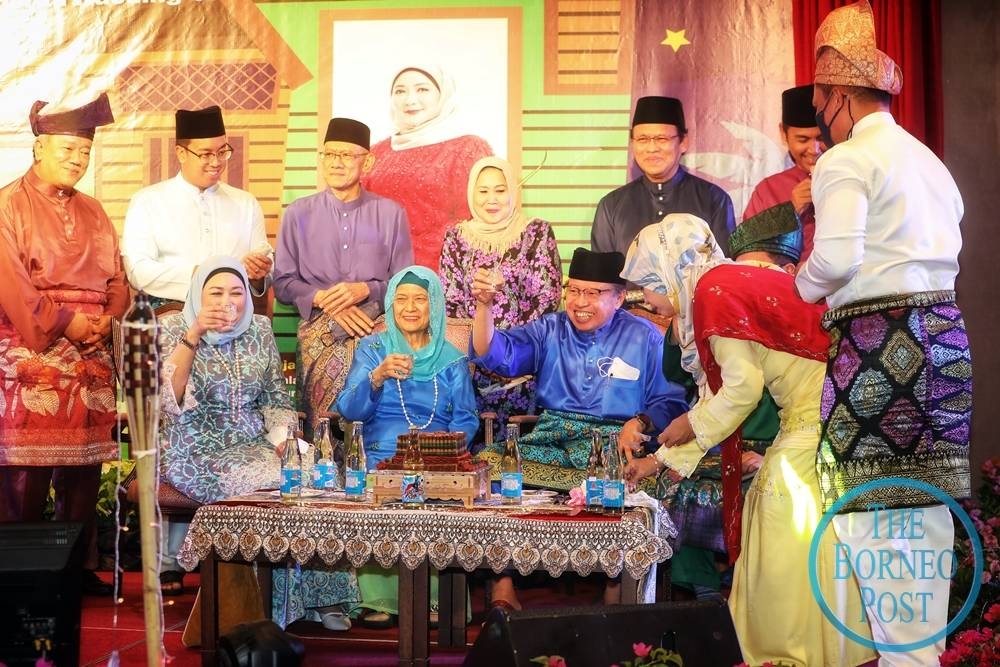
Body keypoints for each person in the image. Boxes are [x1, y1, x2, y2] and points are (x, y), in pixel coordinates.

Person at [795, 2, 971, 664]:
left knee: (880, 541)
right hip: (945, 349)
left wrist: (803, 286)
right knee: (918, 548)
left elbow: (836, 261)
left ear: (837, 95)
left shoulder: (844, 161)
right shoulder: (929, 161)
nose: (818, 113)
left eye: (819, 100)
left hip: (879, 355)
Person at [621, 214, 875, 667]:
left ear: (670, 269)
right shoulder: (735, 282)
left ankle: (784, 656)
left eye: (648, 285)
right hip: (837, 421)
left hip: (815, 428)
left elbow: (740, 390)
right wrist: (662, 457)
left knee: (781, 537)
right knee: (801, 539)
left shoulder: (715, 294)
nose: (649, 301)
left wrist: (688, 426)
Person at [471, 247, 688, 610]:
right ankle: (503, 584)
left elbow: (672, 400)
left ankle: (617, 585)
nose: (580, 302)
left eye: (593, 293)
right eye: (574, 291)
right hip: (551, 436)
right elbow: (496, 354)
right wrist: (484, 306)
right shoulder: (549, 329)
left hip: (612, 444)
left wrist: (641, 421)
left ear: (619, 298)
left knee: (632, 485)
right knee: (492, 465)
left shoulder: (646, 337)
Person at [159, 256, 358, 632]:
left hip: (255, 443)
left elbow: (275, 399)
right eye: (214, 293)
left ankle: (324, 597)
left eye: (236, 292)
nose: (227, 302)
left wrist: (285, 440)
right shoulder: (175, 328)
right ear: (197, 296)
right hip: (196, 449)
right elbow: (168, 399)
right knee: (268, 483)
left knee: (317, 471)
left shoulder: (259, 329)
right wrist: (196, 332)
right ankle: (270, 605)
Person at [279, 266, 478, 628]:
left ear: (434, 304)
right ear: (390, 305)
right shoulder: (373, 349)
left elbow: (466, 418)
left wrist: (446, 454)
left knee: (437, 491)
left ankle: (437, 599)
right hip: (381, 451)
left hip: (436, 455)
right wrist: (377, 376)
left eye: (420, 299)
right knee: (382, 483)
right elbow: (350, 409)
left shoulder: (452, 360)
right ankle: (380, 599)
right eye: (401, 299)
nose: (411, 307)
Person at [0, 92, 125, 597]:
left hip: (92, 348)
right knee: (26, 473)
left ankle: (75, 565)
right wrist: (70, 323)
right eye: (67, 149)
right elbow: (12, 286)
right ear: (38, 149)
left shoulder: (95, 211)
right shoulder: (8, 205)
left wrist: (108, 317)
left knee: (83, 472)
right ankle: (19, 567)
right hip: (32, 346)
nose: (77, 159)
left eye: (84, 151)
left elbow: (118, 278)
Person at [273, 117, 413, 438]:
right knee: (323, 431)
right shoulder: (298, 214)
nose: (337, 163)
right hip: (319, 330)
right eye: (330, 154)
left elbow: (405, 282)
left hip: (374, 328)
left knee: (373, 418)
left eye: (347, 155)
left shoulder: (391, 214)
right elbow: (282, 282)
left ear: (368, 160)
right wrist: (325, 300)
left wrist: (365, 289)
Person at [439, 156, 563, 439]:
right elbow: (452, 301)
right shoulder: (457, 237)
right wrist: (483, 342)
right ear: (472, 193)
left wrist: (508, 343)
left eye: (500, 189)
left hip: (525, 361)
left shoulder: (536, 232)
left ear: (513, 191)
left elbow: (548, 297)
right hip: (474, 363)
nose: (491, 199)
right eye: (483, 191)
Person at [122, 106, 273, 309]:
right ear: (181, 153)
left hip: (234, 316)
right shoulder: (147, 202)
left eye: (222, 152)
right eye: (206, 154)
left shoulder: (246, 203)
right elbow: (138, 271)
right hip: (171, 312)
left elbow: (262, 270)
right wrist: (201, 276)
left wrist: (258, 275)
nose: (216, 162)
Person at [362, 64, 493, 271]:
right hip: (376, 275)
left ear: (442, 94)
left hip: (443, 275)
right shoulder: (376, 152)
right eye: (400, 91)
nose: (410, 100)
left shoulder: (469, 147)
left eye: (422, 89)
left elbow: (474, 223)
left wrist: (407, 259)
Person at [591, 96, 734, 257]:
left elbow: (724, 272)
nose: (652, 148)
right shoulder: (611, 206)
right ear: (632, 143)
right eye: (642, 139)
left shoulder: (714, 200)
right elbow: (601, 279)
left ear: (683, 142)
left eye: (661, 139)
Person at [741, 85, 826, 264]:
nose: (814, 149)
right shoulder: (768, 190)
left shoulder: (853, 178)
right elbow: (744, 249)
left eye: (821, 138)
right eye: (802, 139)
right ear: (783, 134)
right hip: (784, 288)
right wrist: (789, 211)